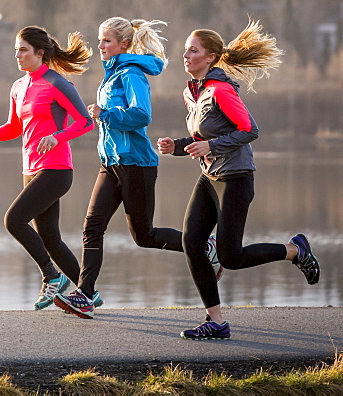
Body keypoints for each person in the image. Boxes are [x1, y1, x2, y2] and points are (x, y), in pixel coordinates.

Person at [156, 21, 320, 340]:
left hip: (235, 179)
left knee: (230, 257)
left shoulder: (221, 90)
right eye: (186, 49)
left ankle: (295, 250)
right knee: (192, 242)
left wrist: (211, 146)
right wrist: (176, 146)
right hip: (209, 177)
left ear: (211, 57)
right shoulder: (192, 93)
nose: (185, 55)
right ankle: (216, 321)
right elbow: (201, 136)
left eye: (193, 50)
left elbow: (249, 130)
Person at [54, 18, 220, 320]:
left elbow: (141, 115)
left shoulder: (131, 74)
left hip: (136, 164)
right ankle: (85, 295)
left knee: (144, 236)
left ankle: (205, 245)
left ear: (124, 44)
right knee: (92, 226)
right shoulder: (111, 74)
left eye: (106, 41)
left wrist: (106, 114)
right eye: (100, 40)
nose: (100, 46)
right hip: (111, 162)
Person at [0, 25, 94, 310]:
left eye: (23, 50)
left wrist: (56, 136)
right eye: (16, 50)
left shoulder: (58, 84)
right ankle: (89, 293)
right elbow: (13, 127)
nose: (18, 55)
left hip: (56, 169)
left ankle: (52, 277)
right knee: (50, 238)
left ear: (40, 53)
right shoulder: (18, 86)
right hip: (31, 169)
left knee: (13, 220)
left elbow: (86, 121)